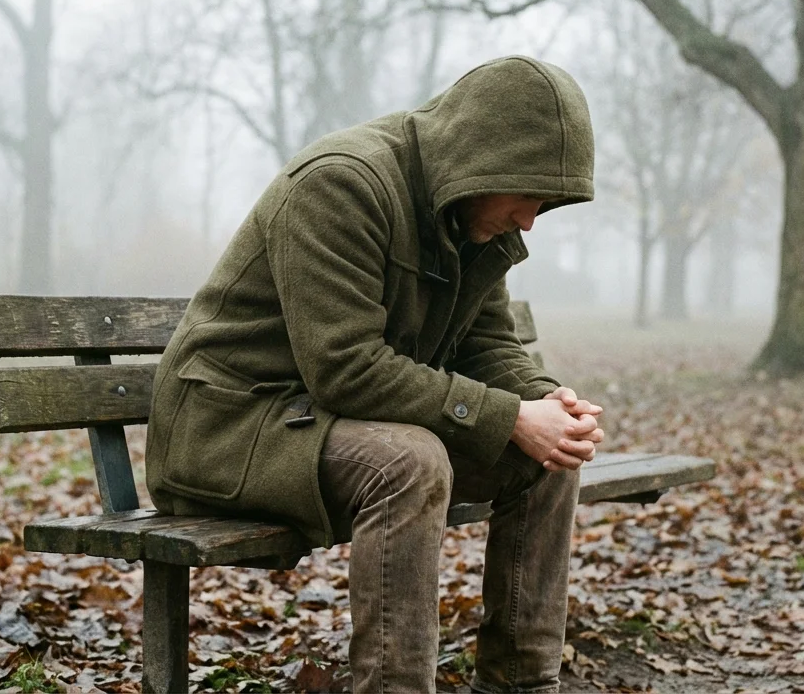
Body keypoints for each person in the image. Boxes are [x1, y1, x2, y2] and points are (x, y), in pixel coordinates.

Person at [146, 55, 604, 692]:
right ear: (481, 158)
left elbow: (488, 345)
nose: (530, 220)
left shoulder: (472, 216)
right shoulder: (340, 185)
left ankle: (521, 685)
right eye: (528, 194)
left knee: (549, 456)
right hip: (229, 427)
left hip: (323, 421)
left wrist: (544, 402)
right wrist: (509, 417)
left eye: (546, 203)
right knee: (407, 461)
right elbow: (346, 369)